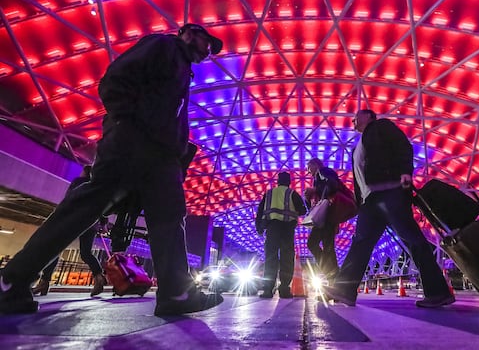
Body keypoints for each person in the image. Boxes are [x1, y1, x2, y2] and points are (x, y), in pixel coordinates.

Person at [0, 23, 225, 316]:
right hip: (134, 143)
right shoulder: (163, 46)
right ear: (190, 33)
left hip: (160, 153)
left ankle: (176, 293)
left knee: (169, 215)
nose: (209, 52)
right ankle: (13, 279)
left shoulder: (181, 67)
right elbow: (114, 81)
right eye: (208, 43)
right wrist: (128, 124)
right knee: (86, 207)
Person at [321, 109, 455, 308]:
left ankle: (438, 292)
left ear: (370, 116)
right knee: (360, 243)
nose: (353, 120)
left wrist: (405, 172)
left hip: (389, 191)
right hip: (370, 200)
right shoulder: (359, 143)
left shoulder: (381, 127)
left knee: (412, 239)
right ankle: (344, 290)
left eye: (357, 116)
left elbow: (403, 147)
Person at [31, 166, 107, 297]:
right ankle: (99, 276)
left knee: (55, 249)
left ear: (85, 172)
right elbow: (102, 206)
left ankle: (44, 281)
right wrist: (104, 223)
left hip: (75, 220)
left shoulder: (78, 182)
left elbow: (70, 199)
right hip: (91, 223)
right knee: (86, 253)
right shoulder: (97, 185)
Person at [255, 172, 307, 299]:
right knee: (287, 258)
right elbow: (303, 211)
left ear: (277, 181)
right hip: (287, 229)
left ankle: (267, 290)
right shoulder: (292, 193)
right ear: (289, 182)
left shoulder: (269, 193)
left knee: (270, 258)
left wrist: (259, 227)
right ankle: (284, 289)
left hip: (272, 228)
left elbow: (260, 211)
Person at [304, 158, 343, 281]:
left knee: (316, 245)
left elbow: (332, 186)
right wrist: (308, 197)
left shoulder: (324, 171)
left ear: (315, 165)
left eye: (309, 168)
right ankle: (334, 279)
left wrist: (315, 190)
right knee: (328, 248)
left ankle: (331, 275)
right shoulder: (317, 179)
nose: (308, 172)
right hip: (326, 215)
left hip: (327, 215)